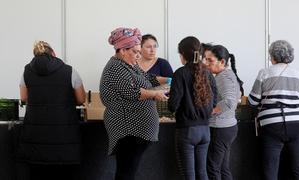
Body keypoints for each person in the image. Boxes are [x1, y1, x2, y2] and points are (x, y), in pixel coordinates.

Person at [100, 27, 168, 180]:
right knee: (126, 171)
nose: (139, 56)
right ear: (123, 50)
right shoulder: (115, 68)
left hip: (137, 130)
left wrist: (169, 79)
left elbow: (148, 78)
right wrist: (155, 93)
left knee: (129, 169)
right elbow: (134, 92)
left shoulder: (130, 65)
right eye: (135, 52)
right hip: (128, 129)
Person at [18, 41, 86, 180]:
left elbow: (24, 98)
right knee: (62, 174)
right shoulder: (69, 71)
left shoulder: (26, 71)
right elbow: (81, 99)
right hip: (63, 133)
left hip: (35, 134)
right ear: (53, 53)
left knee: (37, 173)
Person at [248, 40, 299, 180]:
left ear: (272, 56)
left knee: (270, 168)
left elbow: (253, 101)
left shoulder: (264, 73)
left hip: (272, 125)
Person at [168, 36, 217, 180]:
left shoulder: (180, 73)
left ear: (183, 54)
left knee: (188, 175)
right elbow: (214, 100)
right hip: (205, 131)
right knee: (202, 173)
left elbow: (173, 105)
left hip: (186, 131)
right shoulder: (208, 73)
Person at [202, 44, 243, 180]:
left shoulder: (224, 77)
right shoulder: (224, 75)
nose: (206, 63)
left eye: (210, 60)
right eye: (206, 59)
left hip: (221, 128)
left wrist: (209, 112)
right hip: (226, 127)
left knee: (213, 168)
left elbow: (229, 101)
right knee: (222, 168)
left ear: (222, 62)